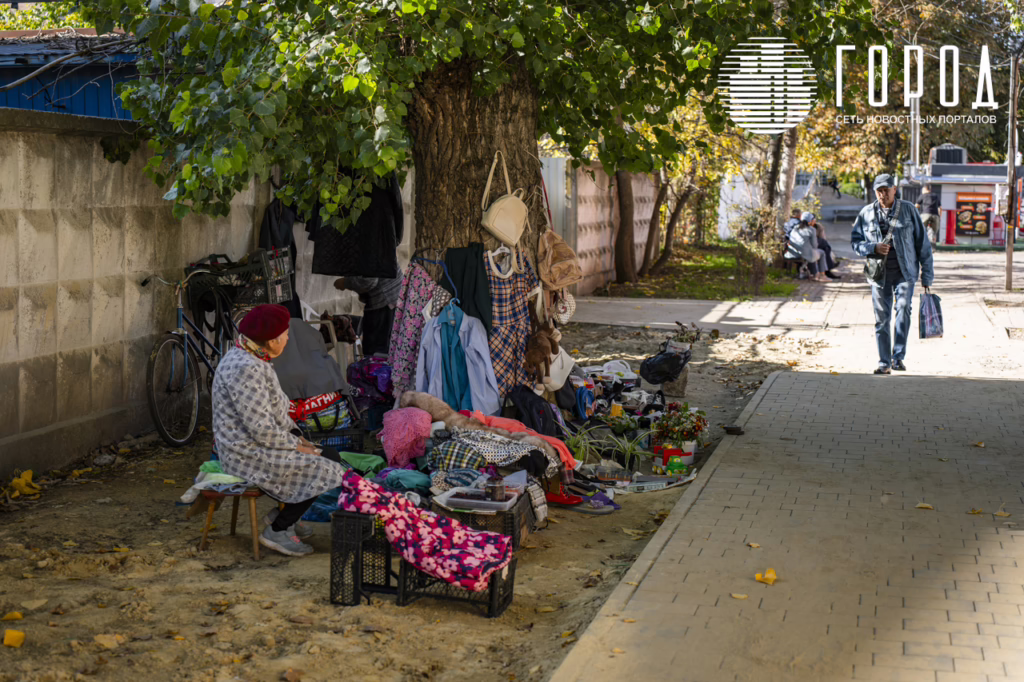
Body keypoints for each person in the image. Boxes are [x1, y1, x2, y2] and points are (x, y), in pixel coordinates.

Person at [211, 304, 349, 556]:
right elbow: (262, 431)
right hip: (244, 451)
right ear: (271, 340)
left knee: (331, 455)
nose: (288, 337)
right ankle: (277, 529)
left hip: (259, 442)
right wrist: (301, 447)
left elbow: (278, 415)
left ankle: (284, 515)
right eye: (285, 333)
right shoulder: (245, 368)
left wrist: (302, 441)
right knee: (324, 469)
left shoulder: (256, 356)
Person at [851, 173, 934, 375]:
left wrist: (927, 275)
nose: (883, 194)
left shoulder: (908, 210)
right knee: (882, 318)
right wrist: (873, 247)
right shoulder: (866, 213)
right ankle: (884, 362)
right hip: (879, 276)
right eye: (879, 191)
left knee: (904, 309)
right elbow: (855, 243)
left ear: (894, 189)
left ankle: (898, 357)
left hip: (906, 272)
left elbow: (923, 243)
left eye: (886, 190)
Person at [334, 275, 402, 356]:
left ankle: (373, 366)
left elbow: (369, 281)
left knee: (375, 350)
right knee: (380, 348)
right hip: (390, 298)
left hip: (384, 300)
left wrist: (345, 282)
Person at [785, 212, 829, 282]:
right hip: (805, 255)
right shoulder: (811, 229)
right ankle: (822, 276)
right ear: (810, 221)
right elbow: (815, 245)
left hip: (791, 253)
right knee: (821, 253)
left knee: (811, 252)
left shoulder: (795, 228)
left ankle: (814, 273)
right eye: (813, 220)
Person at [807, 212, 841, 280]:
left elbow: (822, 238)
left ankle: (827, 270)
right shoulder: (806, 228)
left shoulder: (818, 227)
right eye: (813, 219)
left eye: (814, 219)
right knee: (825, 247)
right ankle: (828, 268)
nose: (814, 221)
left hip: (816, 245)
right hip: (809, 247)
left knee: (825, 248)